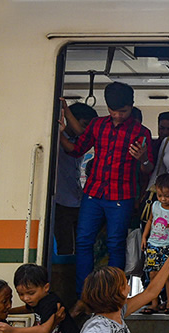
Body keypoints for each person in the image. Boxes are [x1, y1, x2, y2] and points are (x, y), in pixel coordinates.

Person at [60, 82, 155, 303]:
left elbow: (148, 169)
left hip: (122, 195)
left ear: (131, 106)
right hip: (94, 193)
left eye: (123, 111)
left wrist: (143, 158)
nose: (118, 116)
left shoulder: (141, 132)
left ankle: (112, 295)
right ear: (108, 108)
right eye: (113, 111)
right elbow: (76, 150)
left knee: (116, 244)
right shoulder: (97, 125)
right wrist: (58, 133)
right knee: (83, 242)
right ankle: (83, 294)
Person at [53, 102, 98, 255]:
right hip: (60, 200)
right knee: (65, 246)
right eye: (84, 125)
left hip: (77, 200)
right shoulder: (54, 140)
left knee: (81, 246)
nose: (85, 131)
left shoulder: (81, 144)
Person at [140, 174, 169, 314]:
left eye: (167, 196)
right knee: (152, 275)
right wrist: (144, 237)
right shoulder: (155, 205)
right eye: (160, 195)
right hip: (153, 244)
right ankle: (154, 303)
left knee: (168, 275)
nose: (163, 198)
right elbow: (150, 221)